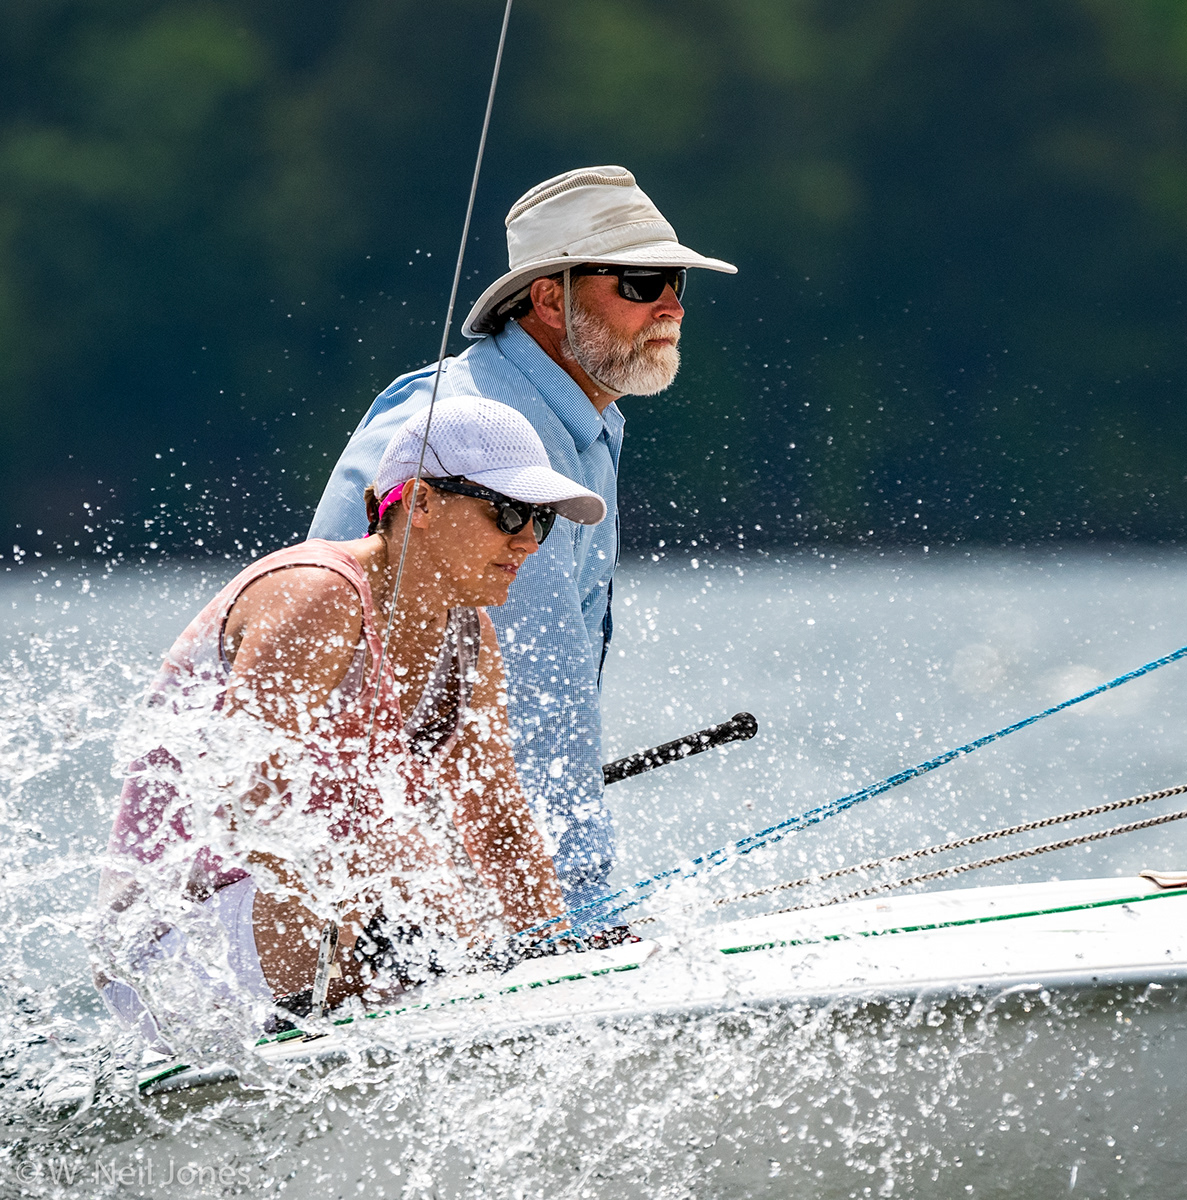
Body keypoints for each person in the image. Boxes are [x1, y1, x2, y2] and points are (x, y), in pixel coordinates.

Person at [96, 397, 604, 1044]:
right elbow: (249, 806)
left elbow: (499, 827)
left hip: (312, 923)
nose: (528, 540)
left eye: (542, 520)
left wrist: (556, 959)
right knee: (414, 881)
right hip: (168, 943)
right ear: (420, 503)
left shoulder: (470, 636)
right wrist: (409, 912)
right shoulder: (319, 594)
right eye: (507, 513)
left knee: (463, 899)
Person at [309, 166, 736, 919]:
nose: (670, 305)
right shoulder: (494, 434)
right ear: (549, 298)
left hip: (416, 858)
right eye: (640, 283)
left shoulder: (572, 419)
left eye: (676, 283)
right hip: (342, 885)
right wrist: (583, 916)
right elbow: (540, 711)